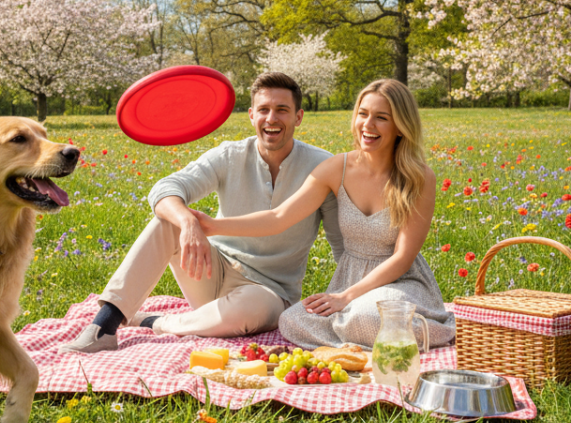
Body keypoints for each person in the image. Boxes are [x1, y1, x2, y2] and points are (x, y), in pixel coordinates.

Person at [60, 72, 344, 353]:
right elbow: (166, 188)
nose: (271, 119)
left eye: (282, 110)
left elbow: (341, 242)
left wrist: (347, 302)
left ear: (298, 117)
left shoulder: (322, 166)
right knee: (168, 220)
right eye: (264, 110)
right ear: (250, 115)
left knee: (251, 307)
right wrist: (187, 223)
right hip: (210, 270)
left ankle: (155, 322)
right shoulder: (229, 155)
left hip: (269, 293)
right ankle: (104, 326)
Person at [191, 79, 454, 350]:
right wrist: (212, 225)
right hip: (350, 278)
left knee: (366, 316)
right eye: (362, 114)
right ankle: (364, 343)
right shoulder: (336, 168)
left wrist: (346, 297)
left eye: (381, 118)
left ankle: (429, 330)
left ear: (400, 126)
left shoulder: (418, 177)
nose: (368, 125)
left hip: (400, 281)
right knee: (291, 321)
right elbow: (279, 217)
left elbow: (402, 257)